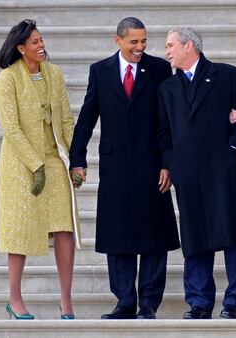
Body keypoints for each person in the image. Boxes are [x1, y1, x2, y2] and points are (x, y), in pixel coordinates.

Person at [69, 17, 180, 320]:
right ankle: (124, 302)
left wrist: (167, 163)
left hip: (151, 164)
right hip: (115, 164)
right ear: (117, 40)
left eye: (144, 41)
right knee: (118, 235)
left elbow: (167, 118)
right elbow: (88, 115)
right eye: (134, 42)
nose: (140, 47)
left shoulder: (158, 68)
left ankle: (148, 305)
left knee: (154, 236)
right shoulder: (100, 71)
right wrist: (77, 158)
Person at [158, 27, 236, 319]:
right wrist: (173, 165)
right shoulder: (167, 88)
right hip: (187, 174)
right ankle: (199, 303)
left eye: (170, 45)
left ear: (189, 46)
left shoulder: (228, 76)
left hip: (223, 171)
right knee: (195, 238)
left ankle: (234, 302)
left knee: (233, 235)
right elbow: (164, 133)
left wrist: (232, 151)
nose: (167, 51)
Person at [0, 19, 80, 320]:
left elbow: (67, 120)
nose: (41, 45)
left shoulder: (54, 74)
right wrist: (35, 165)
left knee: (64, 230)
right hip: (21, 164)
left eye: (42, 40)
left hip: (54, 160)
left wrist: (76, 159)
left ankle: (66, 300)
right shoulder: (8, 79)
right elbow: (11, 128)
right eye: (35, 42)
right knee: (19, 231)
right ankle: (14, 299)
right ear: (21, 48)